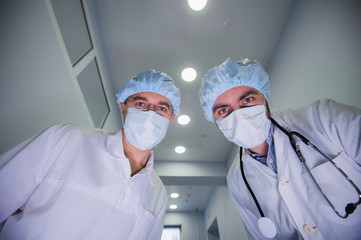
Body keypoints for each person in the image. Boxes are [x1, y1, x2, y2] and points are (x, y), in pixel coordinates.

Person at [0, 69, 181, 240]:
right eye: (141, 104)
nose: (150, 114)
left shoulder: (158, 194)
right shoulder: (67, 139)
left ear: (171, 119)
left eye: (161, 109)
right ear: (123, 108)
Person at [199, 58, 361, 239]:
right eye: (223, 111)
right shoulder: (237, 180)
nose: (239, 115)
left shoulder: (324, 118)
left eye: (248, 99)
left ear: (265, 99)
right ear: (216, 123)